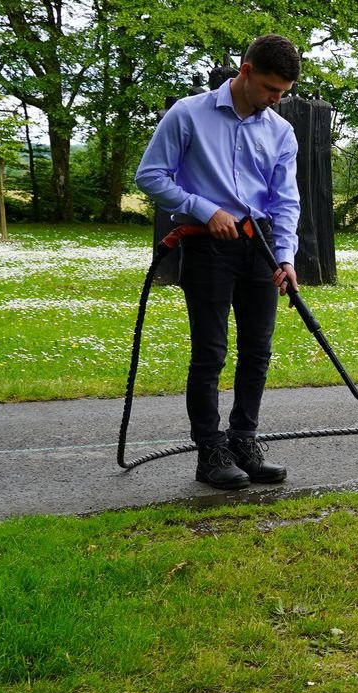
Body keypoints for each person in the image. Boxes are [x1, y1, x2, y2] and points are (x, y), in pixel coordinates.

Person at [135, 35, 302, 490]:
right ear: (245, 71)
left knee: (257, 351)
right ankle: (210, 452)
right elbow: (150, 176)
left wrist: (286, 256)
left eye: (282, 93)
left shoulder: (280, 131)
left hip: (261, 246)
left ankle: (244, 440)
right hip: (208, 246)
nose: (275, 100)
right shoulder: (188, 114)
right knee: (209, 353)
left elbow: (285, 200)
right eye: (270, 89)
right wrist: (206, 210)